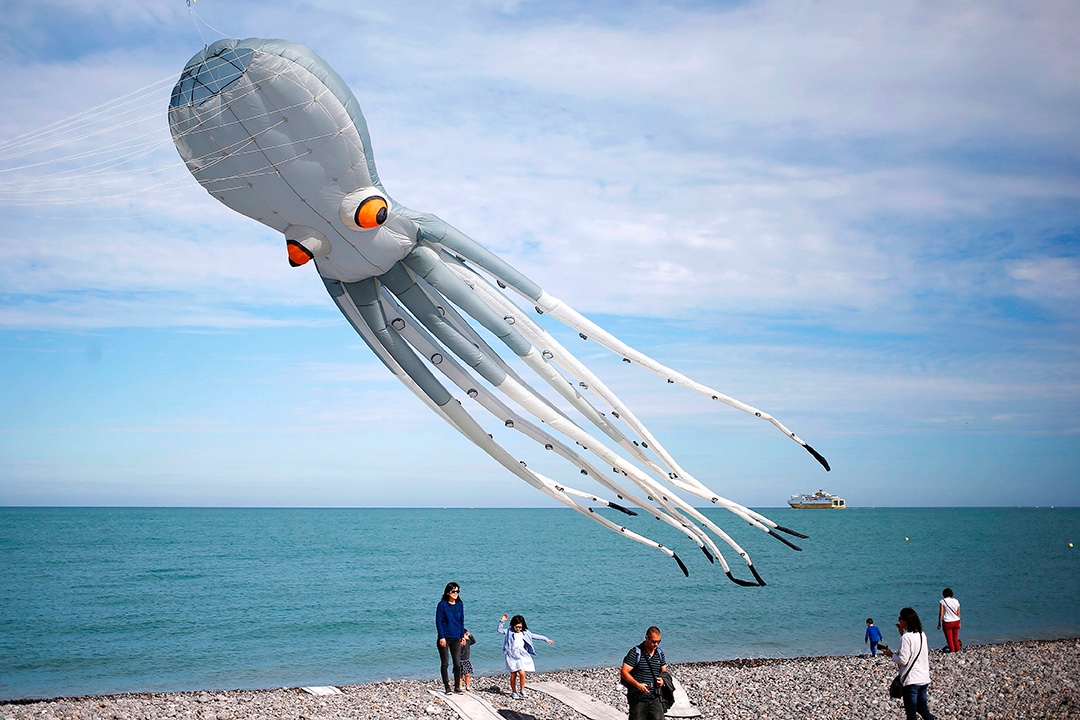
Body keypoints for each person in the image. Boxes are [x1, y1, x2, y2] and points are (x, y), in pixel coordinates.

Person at [881, 607, 936, 720]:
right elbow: (913, 650)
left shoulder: (906, 638)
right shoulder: (922, 635)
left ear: (905, 621)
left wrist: (890, 654)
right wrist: (902, 633)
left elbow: (903, 660)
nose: (899, 621)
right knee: (922, 709)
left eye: (900, 618)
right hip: (923, 678)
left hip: (911, 681)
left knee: (911, 714)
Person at [497, 613, 554, 699]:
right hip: (511, 655)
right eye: (516, 627)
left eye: (520, 627)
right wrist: (502, 621)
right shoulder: (509, 631)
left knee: (522, 673)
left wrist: (546, 639)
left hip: (521, 655)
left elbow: (536, 636)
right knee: (513, 674)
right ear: (513, 625)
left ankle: (522, 690)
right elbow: (499, 630)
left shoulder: (526, 633)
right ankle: (514, 692)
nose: (518, 629)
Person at [620, 626, 667, 720]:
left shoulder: (659, 653)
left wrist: (662, 681)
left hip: (655, 697)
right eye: (653, 641)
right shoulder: (636, 653)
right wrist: (638, 685)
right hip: (638, 698)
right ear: (646, 638)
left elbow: (664, 671)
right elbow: (624, 672)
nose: (656, 644)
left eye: (658, 641)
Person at [435, 582, 465, 695]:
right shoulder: (442, 605)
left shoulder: (460, 604)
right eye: (453, 591)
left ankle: (457, 686)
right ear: (448, 592)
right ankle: (447, 686)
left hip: (456, 637)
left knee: (457, 663)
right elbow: (438, 621)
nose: (456, 593)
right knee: (445, 663)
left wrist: (462, 636)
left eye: (457, 591)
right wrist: (441, 637)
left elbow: (461, 620)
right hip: (445, 637)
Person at [937, 588, 961, 652]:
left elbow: (941, 613)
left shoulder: (942, 601)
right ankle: (957, 650)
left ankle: (952, 651)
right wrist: (959, 622)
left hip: (947, 622)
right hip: (956, 621)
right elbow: (958, 613)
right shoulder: (956, 601)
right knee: (955, 638)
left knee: (949, 639)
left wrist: (939, 622)